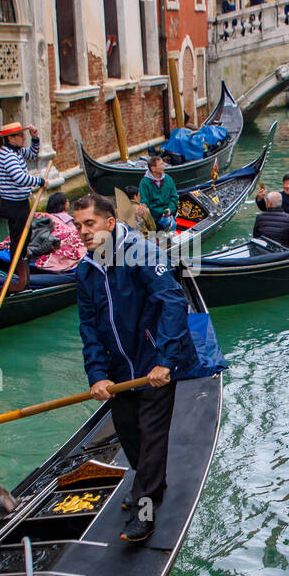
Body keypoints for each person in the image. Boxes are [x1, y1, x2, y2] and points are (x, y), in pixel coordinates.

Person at [72, 194, 199, 542]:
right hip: (118, 369)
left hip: (154, 361)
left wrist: (164, 360)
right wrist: (97, 374)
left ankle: (146, 512)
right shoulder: (86, 271)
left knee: (151, 437)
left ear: (110, 223)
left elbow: (173, 302)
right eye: (78, 225)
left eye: (90, 224)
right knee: (128, 432)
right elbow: (89, 327)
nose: (82, 232)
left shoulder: (142, 252)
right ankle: (151, 481)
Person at [0, 121, 44, 292]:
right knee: (18, 237)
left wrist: (35, 138)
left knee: (25, 234)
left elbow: (33, 154)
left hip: (20, 202)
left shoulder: (17, 152)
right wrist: (40, 181)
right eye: (21, 135)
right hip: (13, 204)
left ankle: (21, 265)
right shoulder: (7, 156)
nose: (24, 138)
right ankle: (18, 274)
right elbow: (20, 178)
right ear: (11, 138)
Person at [33, 192, 84, 272]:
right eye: (66, 200)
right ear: (63, 204)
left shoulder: (46, 217)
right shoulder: (67, 220)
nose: (68, 202)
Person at [138, 156, 179, 231]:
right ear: (153, 168)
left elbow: (174, 197)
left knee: (171, 224)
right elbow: (144, 201)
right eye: (161, 165)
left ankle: (169, 241)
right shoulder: (144, 183)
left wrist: (170, 209)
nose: (164, 166)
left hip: (166, 213)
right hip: (153, 215)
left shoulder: (168, 179)